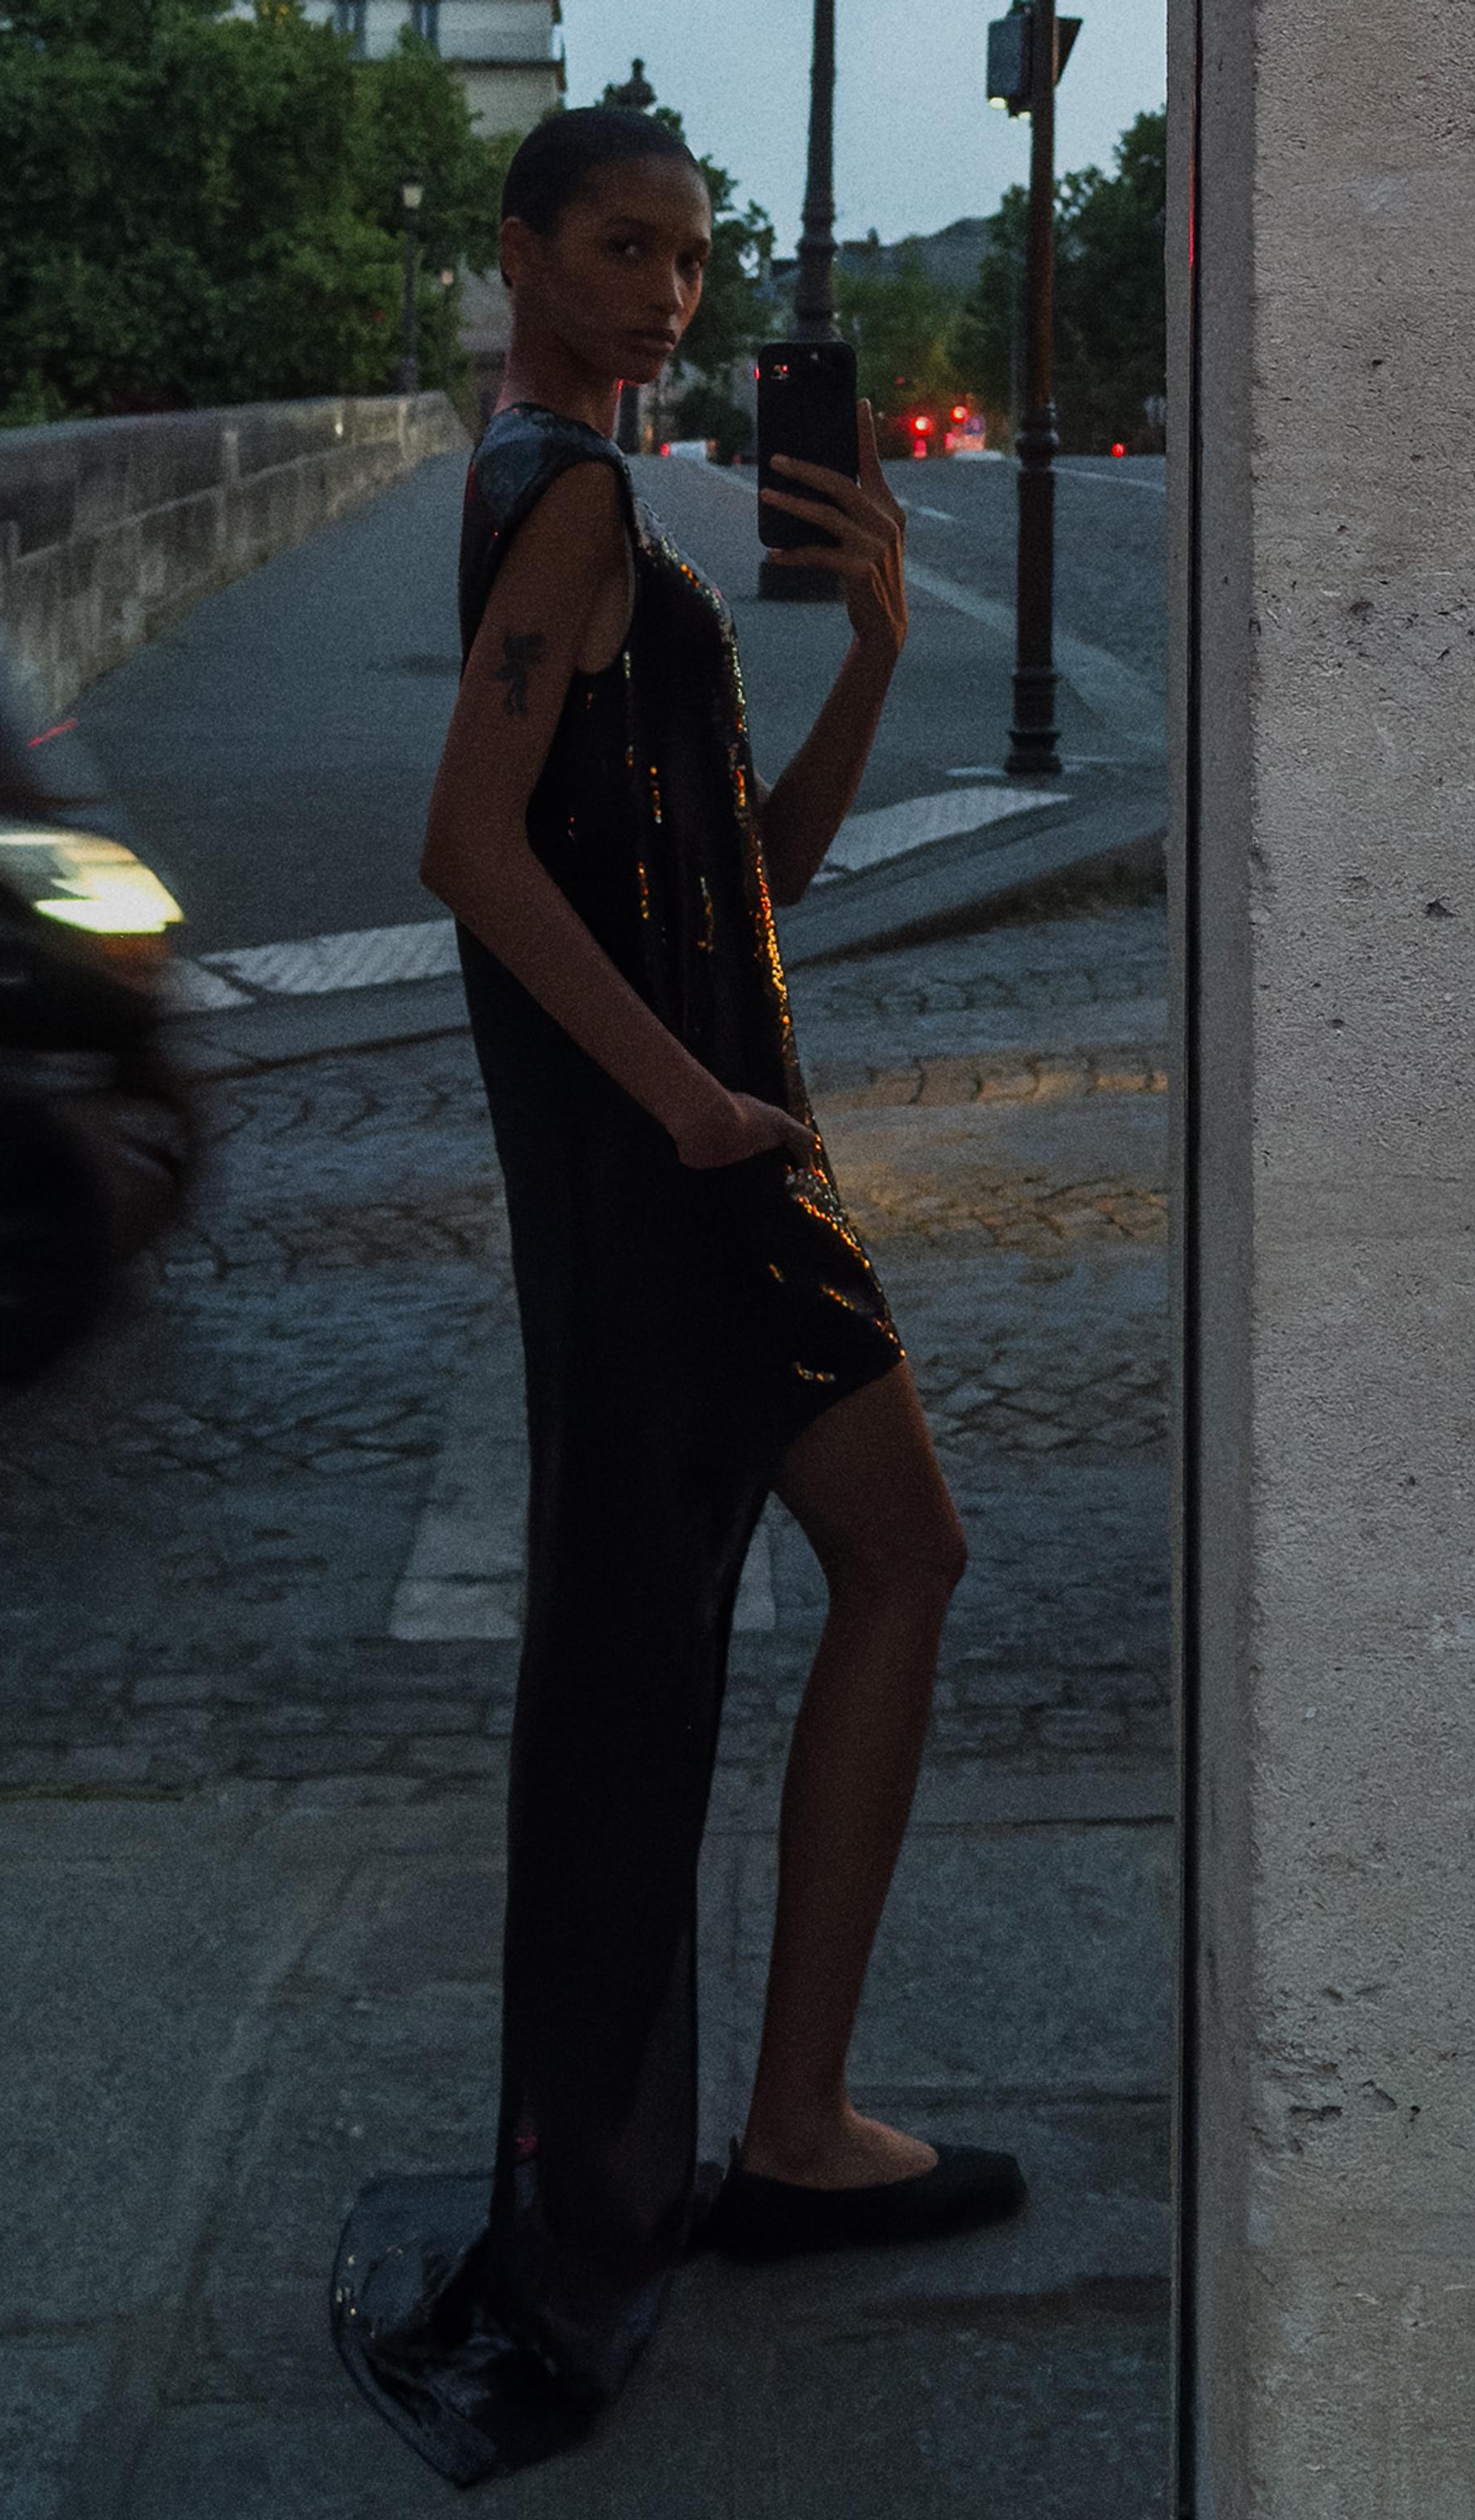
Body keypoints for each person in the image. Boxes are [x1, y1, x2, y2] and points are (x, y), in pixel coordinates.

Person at [331, 105, 1026, 2487]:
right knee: (896, 1564)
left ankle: (756, 2132)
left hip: (692, 1165)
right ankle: (790, 2132)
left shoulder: (564, 486)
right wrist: (697, 1113)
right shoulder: (581, 500)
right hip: (704, 1181)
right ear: (523, 253)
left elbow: (754, 878)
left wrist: (881, 660)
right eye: (621, 248)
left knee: (699, 1628)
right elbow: (462, 848)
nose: (666, 295)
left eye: (692, 261)